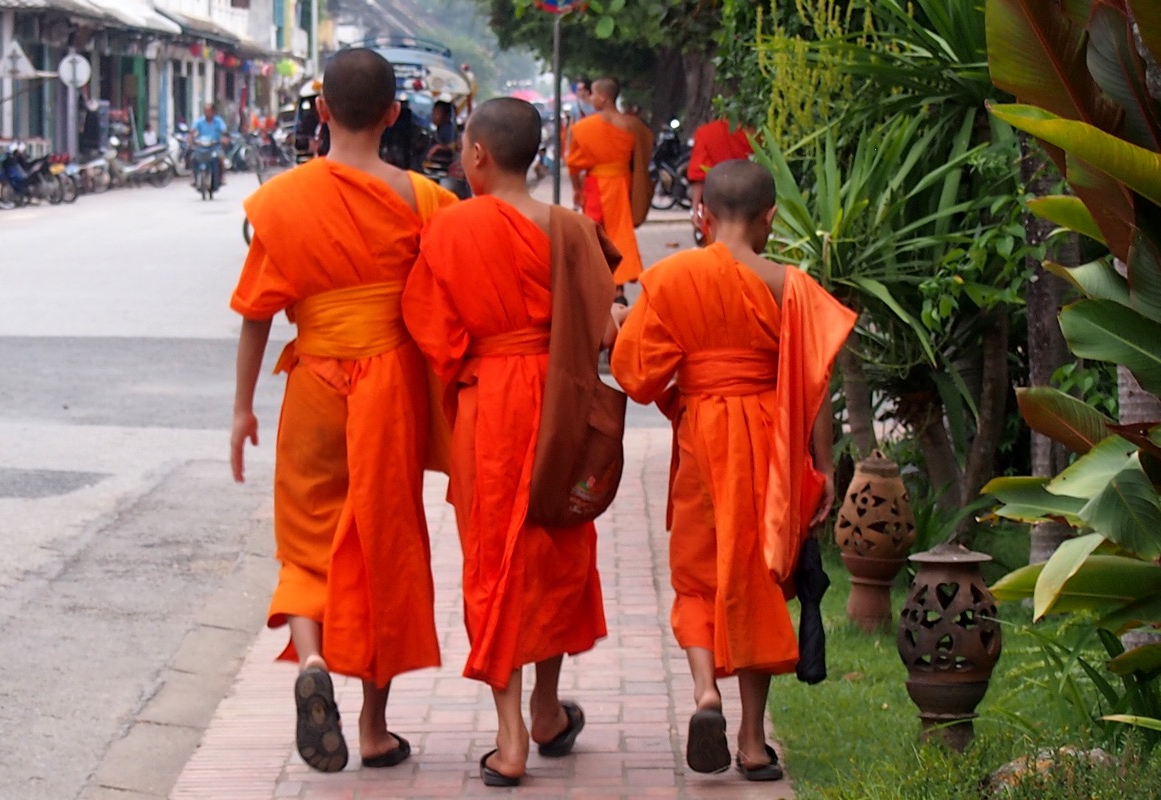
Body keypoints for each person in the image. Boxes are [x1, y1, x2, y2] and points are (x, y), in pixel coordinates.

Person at [229, 48, 457, 774]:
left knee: (308, 537)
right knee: (379, 542)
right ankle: (374, 728)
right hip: (390, 390)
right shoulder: (427, 202)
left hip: (315, 385)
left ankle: (313, 660)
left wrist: (242, 409)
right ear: (393, 114)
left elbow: (256, 314)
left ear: (322, 111)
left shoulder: (285, 201)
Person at [610, 160, 856, 781]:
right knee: (756, 578)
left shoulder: (671, 278)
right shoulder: (790, 285)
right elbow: (815, 386)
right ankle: (752, 743)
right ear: (770, 217)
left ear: (702, 214)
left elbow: (636, 374)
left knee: (697, 576)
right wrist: (824, 467)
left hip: (701, 439)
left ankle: (704, 693)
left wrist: (688, 389)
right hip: (770, 446)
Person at [402, 97, 612, 787]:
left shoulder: (450, 228)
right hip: (562, 401)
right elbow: (603, 326)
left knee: (494, 558)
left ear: (478, 155)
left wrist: (481, 360)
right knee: (556, 550)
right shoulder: (573, 229)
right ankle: (547, 709)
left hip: (491, 404)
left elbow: (432, 330)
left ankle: (512, 734)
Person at [566, 77, 652, 295]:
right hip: (623, 185)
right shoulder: (631, 124)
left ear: (603, 97)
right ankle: (618, 288)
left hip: (597, 185)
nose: (591, 99)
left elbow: (573, 165)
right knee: (619, 235)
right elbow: (645, 150)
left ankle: (602, 286)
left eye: (594, 94)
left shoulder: (584, 127)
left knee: (597, 236)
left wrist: (577, 189)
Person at [687, 118, 757, 238]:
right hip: (751, 202)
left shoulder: (706, 133)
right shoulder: (754, 133)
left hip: (717, 205)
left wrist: (695, 210)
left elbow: (699, 176)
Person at [190, 103, 228, 185]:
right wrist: (191, 138)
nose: (207, 113)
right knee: (193, 158)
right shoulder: (199, 121)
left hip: (215, 146)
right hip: (201, 146)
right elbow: (193, 130)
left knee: (221, 158)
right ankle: (193, 176)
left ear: (213, 112)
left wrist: (223, 137)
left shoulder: (218, 121)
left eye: (209, 111)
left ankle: (222, 177)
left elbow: (224, 130)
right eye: (206, 111)